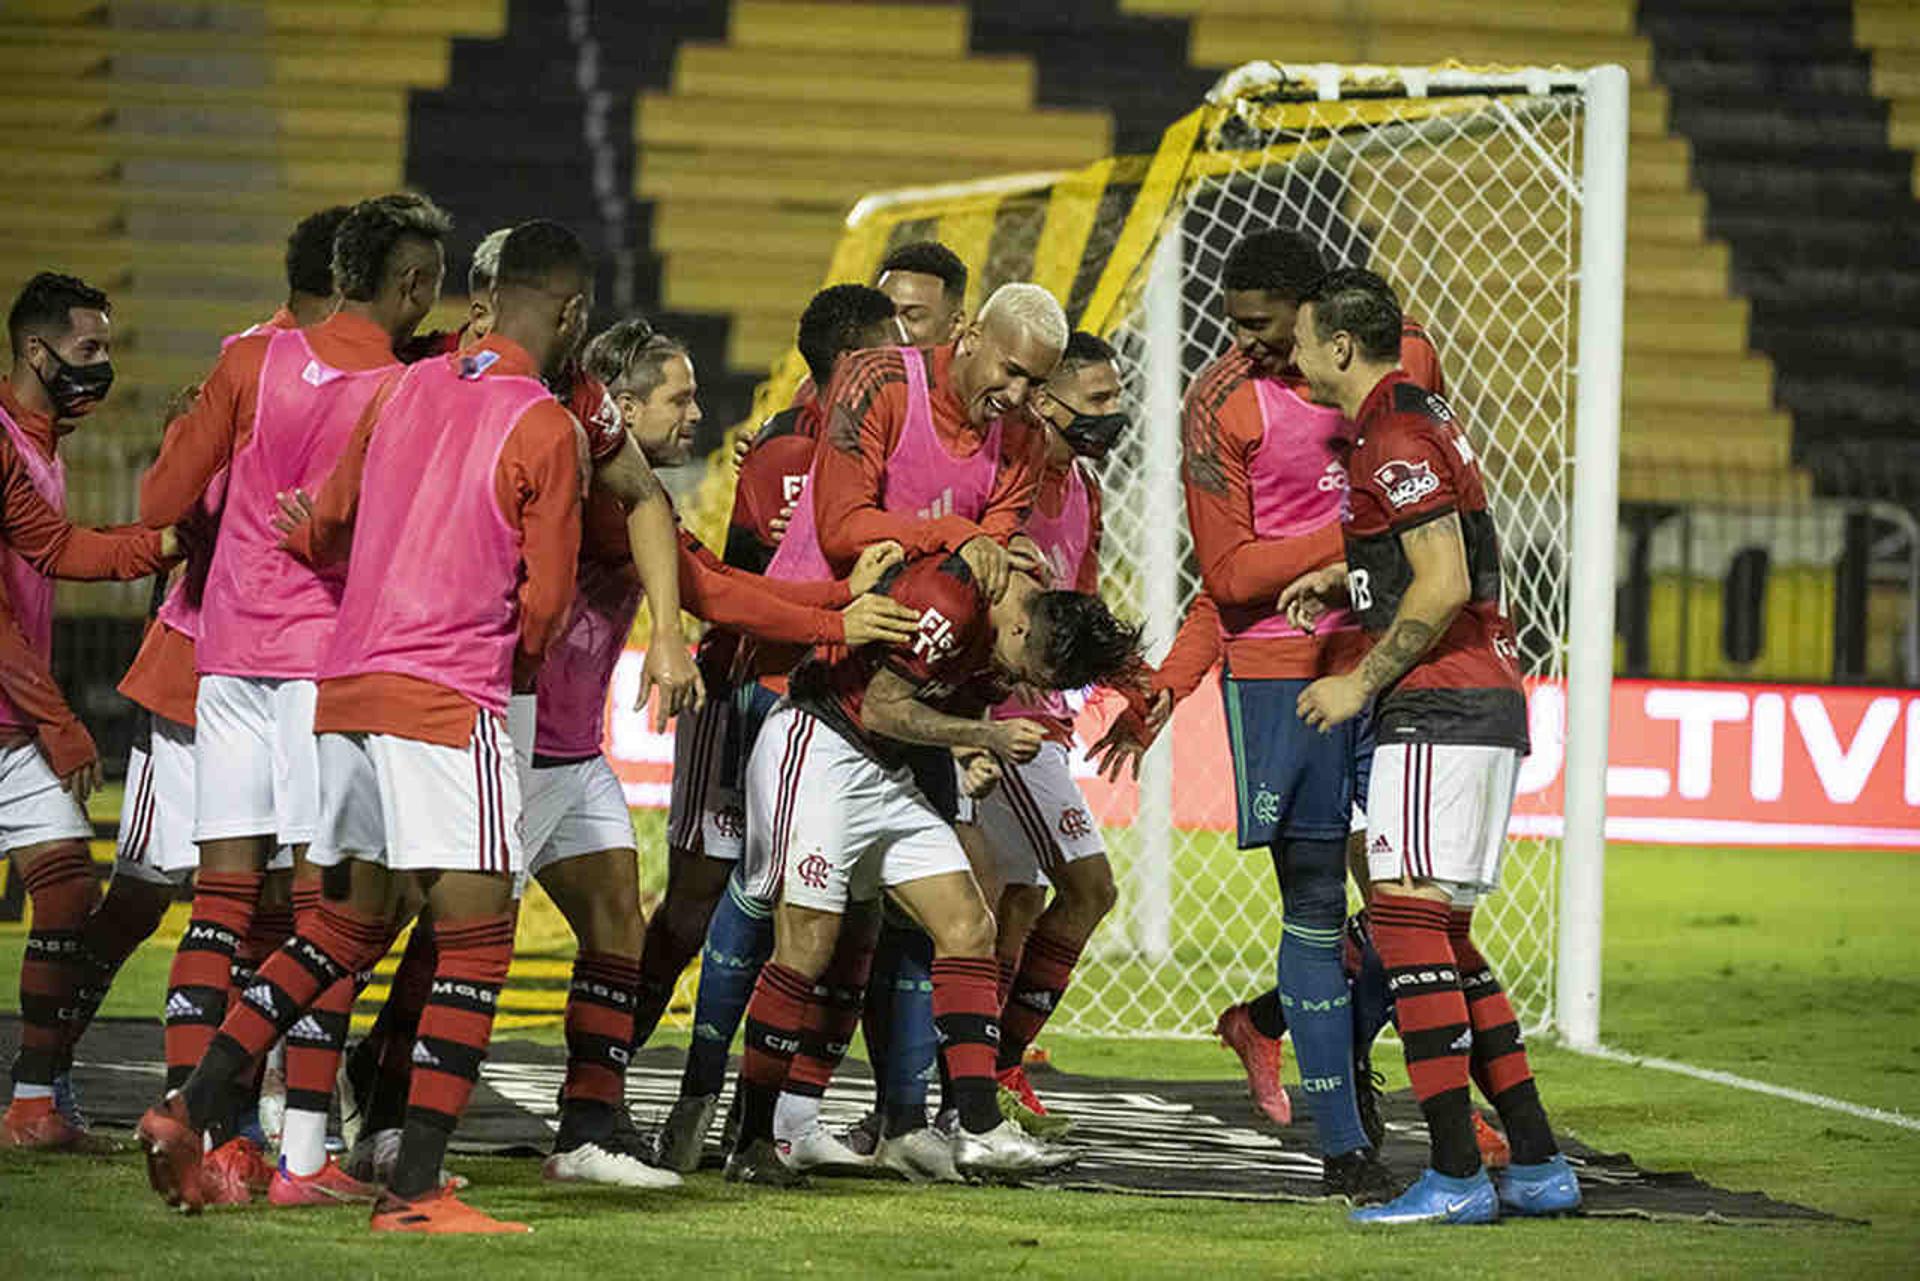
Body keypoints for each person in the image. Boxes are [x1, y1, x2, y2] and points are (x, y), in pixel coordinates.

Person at [137, 218, 593, 1235]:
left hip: (342, 693)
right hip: (444, 698)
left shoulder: (402, 388)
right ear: (568, 313)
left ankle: (190, 1106)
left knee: (338, 927)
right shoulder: (546, 425)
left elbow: (322, 517)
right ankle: (417, 1189)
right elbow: (552, 604)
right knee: (477, 942)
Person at [523, 318, 916, 1188]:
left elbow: (725, 584)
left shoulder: (643, 498)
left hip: (569, 750)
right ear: (620, 408)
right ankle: (348, 1084)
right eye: (681, 396)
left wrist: (835, 601)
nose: (700, 413)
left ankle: (591, 1121)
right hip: (516, 735)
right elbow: (718, 594)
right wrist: (833, 614)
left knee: (619, 918)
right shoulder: (602, 492)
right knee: (434, 927)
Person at [135, 193, 451, 1205]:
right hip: (329, 665)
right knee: (332, 910)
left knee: (221, 898)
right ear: (408, 285)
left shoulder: (246, 360)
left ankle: (211, 1138)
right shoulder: (407, 390)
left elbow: (156, 505)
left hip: (226, 653)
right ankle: (302, 1161)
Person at [1285, 266, 1580, 1225]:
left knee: (1405, 926)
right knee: (1443, 933)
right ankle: (1535, 1162)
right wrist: (1350, 576)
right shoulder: (1422, 418)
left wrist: (1357, 678)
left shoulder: (1395, 433)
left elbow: (1444, 579)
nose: (1291, 356)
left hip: (1437, 707)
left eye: (1300, 340)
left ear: (1340, 346)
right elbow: (1432, 554)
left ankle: (1455, 1173)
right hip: (1482, 705)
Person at [64, 204, 356, 1146]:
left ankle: (238, 1098)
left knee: (270, 896)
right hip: (203, 659)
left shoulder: (304, 364)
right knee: (152, 888)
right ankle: (44, 1063)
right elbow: (172, 503)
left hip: (256, 660)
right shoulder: (257, 363)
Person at [725, 553, 1142, 1185]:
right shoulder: (947, 598)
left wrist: (972, 740)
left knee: (968, 923)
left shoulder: (1014, 637)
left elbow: (953, 700)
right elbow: (881, 707)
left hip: (887, 772)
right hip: (819, 749)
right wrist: (988, 738)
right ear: (1024, 629)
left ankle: (977, 1129)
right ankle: (753, 1137)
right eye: (1031, 671)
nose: (1025, 685)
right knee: (807, 945)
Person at [650, 284, 905, 1172]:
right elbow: (743, 583)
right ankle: (666, 1098)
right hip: (757, 697)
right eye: (892, 345)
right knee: (714, 900)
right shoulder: (789, 451)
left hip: (840, 705)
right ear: (853, 364)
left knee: (829, 909)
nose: (909, 359)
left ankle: (779, 1117)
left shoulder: (890, 447)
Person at [0, 273, 180, 1147]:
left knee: (67, 886)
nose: (102, 366)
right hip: (16, 713)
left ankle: (34, 1101)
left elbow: (58, 547)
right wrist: (59, 721)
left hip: (8, 721)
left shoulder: (41, 443)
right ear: (37, 351)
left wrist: (165, 541)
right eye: (88, 350)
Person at [968, 332, 1128, 1132]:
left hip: (1045, 714)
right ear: (1046, 398)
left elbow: (1084, 604)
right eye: (1097, 399)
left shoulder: (1085, 490)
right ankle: (990, 1067)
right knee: (1088, 886)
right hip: (1001, 714)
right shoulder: (1005, 474)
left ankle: (985, 1074)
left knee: (1020, 898)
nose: (1113, 414)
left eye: (1116, 396)